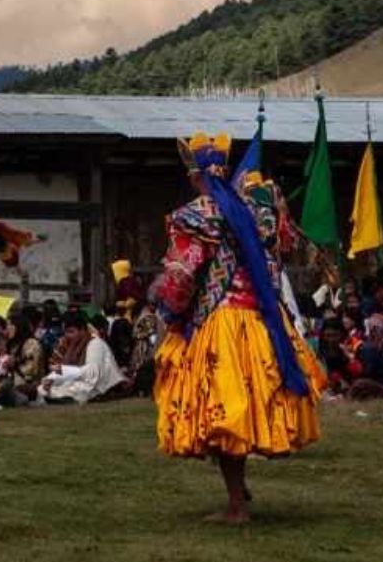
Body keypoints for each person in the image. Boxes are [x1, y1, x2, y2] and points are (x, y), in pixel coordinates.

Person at [150, 133, 323, 525]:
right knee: (238, 411)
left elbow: (181, 276)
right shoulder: (258, 208)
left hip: (223, 324)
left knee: (220, 413)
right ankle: (237, 488)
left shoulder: (198, 215)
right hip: (265, 322)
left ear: (194, 175)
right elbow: (286, 244)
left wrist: (170, 312)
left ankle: (236, 507)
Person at [38, 313, 123, 404]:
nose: (67, 335)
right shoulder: (68, 344)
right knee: (42, 387)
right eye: (66, 332)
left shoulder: (96, 343)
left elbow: (92, 373)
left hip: (98, 385)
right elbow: (61, 370)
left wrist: (65, 371)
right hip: (79, 382)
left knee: (79, 390)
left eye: (71, 332)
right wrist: (51, 380)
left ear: (82, 330)